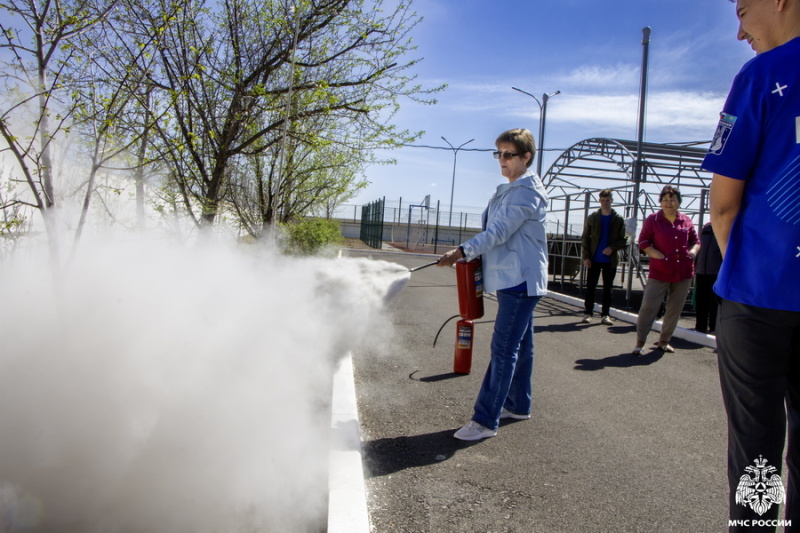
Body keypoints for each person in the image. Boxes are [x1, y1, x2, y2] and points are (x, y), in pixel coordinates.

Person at [702, 0, 800, 529]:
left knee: (757, 453)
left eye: (742, 11)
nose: (739, 32)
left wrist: (745, 264)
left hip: (761, 294)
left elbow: (723, 203)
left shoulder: (762, 74)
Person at [437, 128, 548, 441]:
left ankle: (485, 421)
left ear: (526, 157)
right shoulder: (513, 189)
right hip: (516, 278)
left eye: (509, 154)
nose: (502, 159)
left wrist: (462, 251)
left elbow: (498, 232)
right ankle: (518, 405)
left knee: (503, 350)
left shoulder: (525, 192)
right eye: (499, 153)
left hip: (521, 280)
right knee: (521, 347)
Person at [632, 185, 699, 356]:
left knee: (675, 308)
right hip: (660, 271)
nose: (669, 203)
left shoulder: (686, 221)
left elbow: (695, 241)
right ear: (660, 202)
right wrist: (657, 255)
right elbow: (644, 242)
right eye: (665, 200)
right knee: (649, 306)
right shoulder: (653, 220)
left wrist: (692, 253)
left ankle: (664, 341)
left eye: (672, 199)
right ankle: (640, 342)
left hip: (683, 271)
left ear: (678, 202)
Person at [580, 189, 628, 325]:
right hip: (594, 258)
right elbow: (585, 238)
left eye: (607, 200)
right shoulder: (593, 217)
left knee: (608, 288)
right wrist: (586, 257)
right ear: (599, 200)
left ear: (611, 201)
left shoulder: (618, 219)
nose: (605, 203)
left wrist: (612, 248)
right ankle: (588, 313)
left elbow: (623, 239)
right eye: (602, 200)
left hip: (610, 260)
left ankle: (605, 314)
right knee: (590, 286)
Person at [693, 222, 721, 333]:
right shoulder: (707, 227)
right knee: (701, 301)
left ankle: (714, 328)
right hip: (701, 271)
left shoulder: (726, 226)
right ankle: (700, 326)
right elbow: (698, 246)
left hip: (716, 273)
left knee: (715, 303)